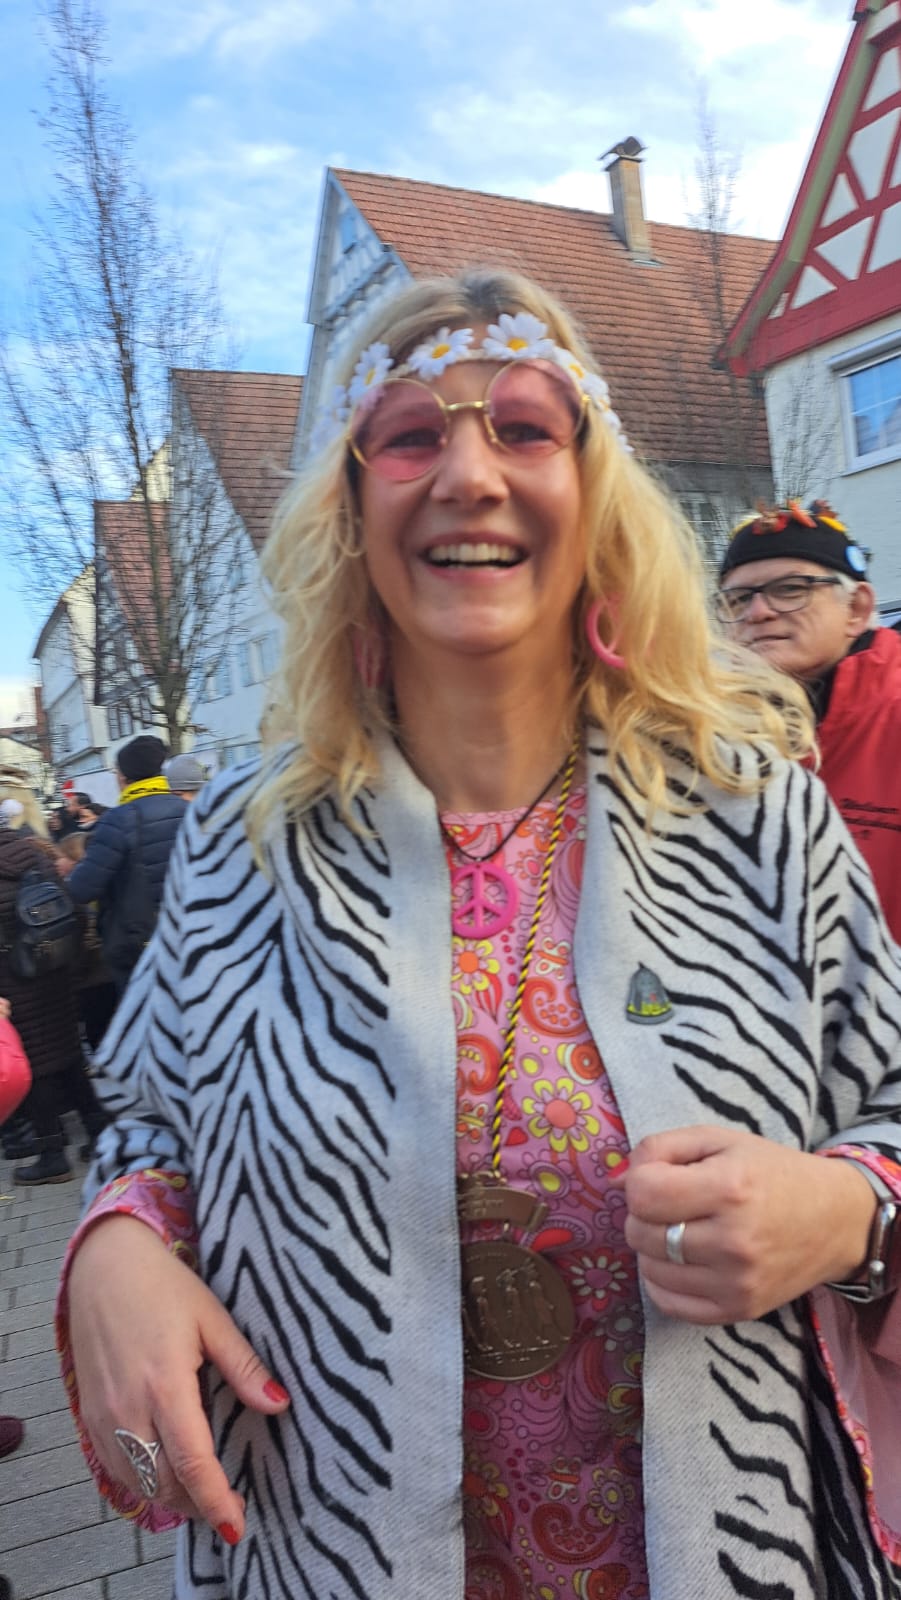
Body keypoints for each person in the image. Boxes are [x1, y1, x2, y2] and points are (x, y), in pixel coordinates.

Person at [57, 271, 901, 1599]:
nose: (468, 475)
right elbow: (146, 1122)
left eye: (522, 428)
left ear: (593, 491)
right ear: (351, 509)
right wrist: (116, 1243)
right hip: (333, 1556)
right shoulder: (244, 842)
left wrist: (845, 1211)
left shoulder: (757, 815)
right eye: (410, 435)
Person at [716, 499, 901, 941]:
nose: (757, 612)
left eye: (790, 589)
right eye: (738, 599)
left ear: (856, 609)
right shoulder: (710, 734)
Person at [0, 809, 101, 1183]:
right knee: (69, 1054)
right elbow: (72, 907)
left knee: (36, 1065)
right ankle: (100, 1132)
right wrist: (69, 964)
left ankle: (52, 1154)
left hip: (12, 979)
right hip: (54, 970)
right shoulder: (32, 853)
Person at [60, 736, 186, 995]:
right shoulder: (191, 810)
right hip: (190, 933)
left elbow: (82, 888)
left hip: (138, 942)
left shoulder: (118, 820)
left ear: (123, 777)